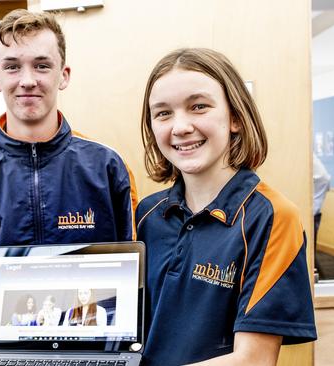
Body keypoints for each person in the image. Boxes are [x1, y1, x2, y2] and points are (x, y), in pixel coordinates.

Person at [0, 9, 137, 350]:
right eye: (12, 66)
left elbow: (132, 265)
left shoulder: (107, 167)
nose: (27, 79)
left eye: (41, 65)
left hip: (93, 351)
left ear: (64, 75)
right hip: (3, 351)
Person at [135, 48, 317, 365]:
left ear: (234, 117)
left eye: (199, 107)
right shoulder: (147, 215)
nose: (179, 127)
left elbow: (254, 360)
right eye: (163, 113)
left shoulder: (272, 216)